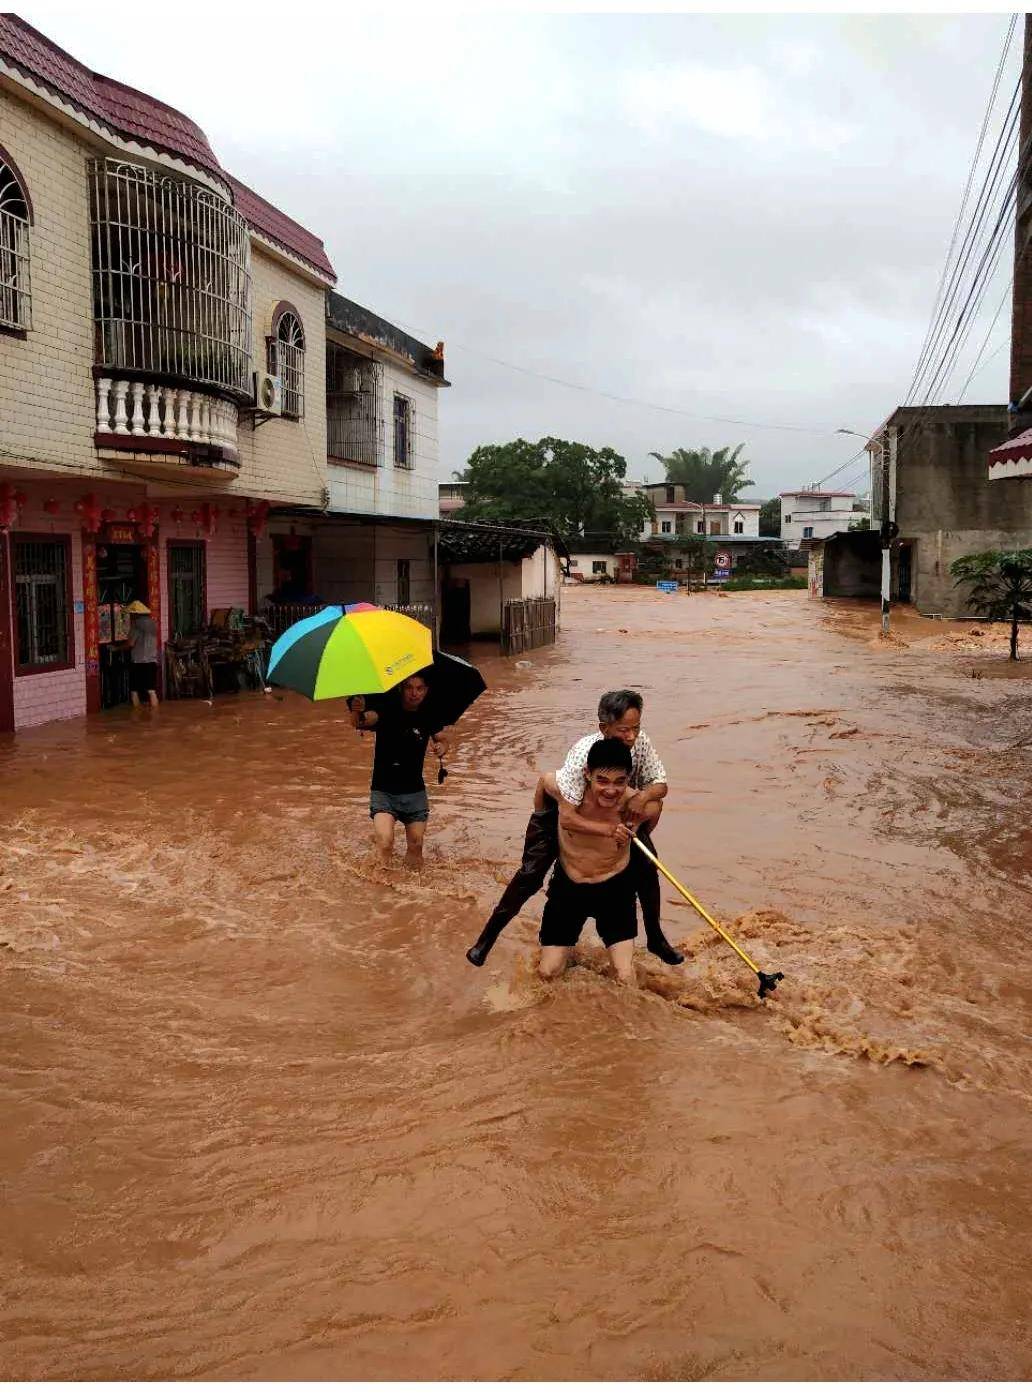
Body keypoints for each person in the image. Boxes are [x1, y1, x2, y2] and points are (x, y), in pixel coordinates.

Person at [466, 689, 683, 967]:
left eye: (636, 728)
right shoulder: (582, 756)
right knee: (530, 875)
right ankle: (486, 940)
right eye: (623, 730)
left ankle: (655, 937)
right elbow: (567, 818)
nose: (630, 736)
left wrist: (640, 803)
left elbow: (660, 789)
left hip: (621, 815)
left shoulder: (640, 743)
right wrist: (610, 830)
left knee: (647, 867)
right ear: (604, 728)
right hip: (555, 814)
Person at [538, 737, 661, 986]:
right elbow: (543, 781)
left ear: (629, 777)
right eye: (602, 781)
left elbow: (657, 806)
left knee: (625, 977)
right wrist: (540, 827)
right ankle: (567, 953)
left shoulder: (633, 802)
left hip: (615, 888)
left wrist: (635, 825)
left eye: (619, 781)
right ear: (587, 774)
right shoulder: (567, 794)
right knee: (548, 974)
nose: (610, 790)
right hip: (568, 885)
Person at [350, 671, 449, 869]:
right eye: (409, 688)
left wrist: (441, 748)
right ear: (401, 690)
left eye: (419, 688)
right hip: (384, 791)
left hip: (415, 793)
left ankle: (412, 892)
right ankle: (382, 890)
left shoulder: (428, 715)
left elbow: (443, 740)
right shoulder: (386, 710)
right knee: (386, 842)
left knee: (416, 845)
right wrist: (356, 711)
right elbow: (362, 721)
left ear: (426, 691)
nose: (414, 693)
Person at [124, 600, 159, 709]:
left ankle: (136, 717)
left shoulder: (136, 625)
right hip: (152, 661)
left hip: (138, 662)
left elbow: (130, 643)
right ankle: (156, 717)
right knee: (151, 691)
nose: (130, 616)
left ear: (135, 614)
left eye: (131, 614)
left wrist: (117, 648)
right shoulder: (153, 624)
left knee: (134, 691)